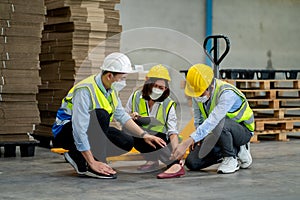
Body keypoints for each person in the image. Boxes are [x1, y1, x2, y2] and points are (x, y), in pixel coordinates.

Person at [52, 52, 166, 179]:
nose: (124, 82)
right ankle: (94, 164)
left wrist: (145, 135)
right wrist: (92, 162)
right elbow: (79, 129)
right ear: (110, 75)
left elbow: (122, 116)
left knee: (126, 142)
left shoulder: (111, 90)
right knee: (101, 115)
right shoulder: (85, 90)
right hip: (66, 132)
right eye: (122, 78)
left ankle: (77, 155)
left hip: (88, 130)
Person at [171, 64, 254, 174]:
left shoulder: (226, 93)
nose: (198, 95)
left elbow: (213, 120)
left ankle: (231, 157)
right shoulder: (198, 93)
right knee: (192, 162)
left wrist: (188, 141)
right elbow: (198, 119)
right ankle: (234, 150)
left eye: (201, 92)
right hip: (218, 132)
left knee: (219, 124)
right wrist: (199, 138)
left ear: (210, 86)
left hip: (242, 132)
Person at [125, 64, 185, 179]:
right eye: (155, 86)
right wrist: (131, 116)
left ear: (166, 89)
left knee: (155, 136)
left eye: (161, 88)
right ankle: (152, 161)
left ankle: (175, 165)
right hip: (143, 136)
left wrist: (176, 151)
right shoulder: (135, 97)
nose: (158, 90)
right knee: (128, 128)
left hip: (162, 139)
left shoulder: (168, 104)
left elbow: (172, 132)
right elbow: (124, 117)